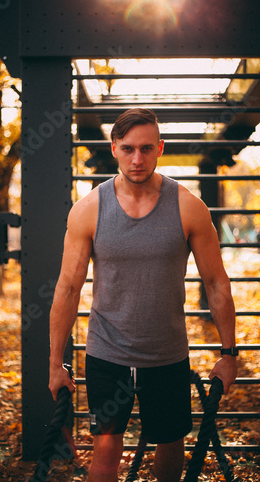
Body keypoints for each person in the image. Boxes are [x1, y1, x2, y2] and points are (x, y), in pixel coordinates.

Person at [49, 108, 237, 482]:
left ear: (160, 148)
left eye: (147, 148)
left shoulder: (188, 207)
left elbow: (216, 283)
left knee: (169, 448)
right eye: (129, 149)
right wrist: (56, 363)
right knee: (104, 456)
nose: (138, 159)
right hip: (106, 354)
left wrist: (229, 354)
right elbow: (68, 288)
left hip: (166, 355)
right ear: (114, 148)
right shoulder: (88, 210)